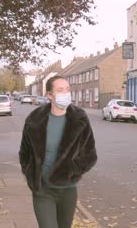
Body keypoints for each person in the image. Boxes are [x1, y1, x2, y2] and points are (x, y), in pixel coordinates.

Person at [19, 76, 97, 228]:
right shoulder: (34, 119)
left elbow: (90, 154)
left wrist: (71, 172)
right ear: (50, 95)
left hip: (68, 190)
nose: (66, 93)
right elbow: (24, 154)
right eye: (60, 90)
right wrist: (32, 177)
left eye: (67, 89)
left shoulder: (79, 118)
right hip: (43, 190)